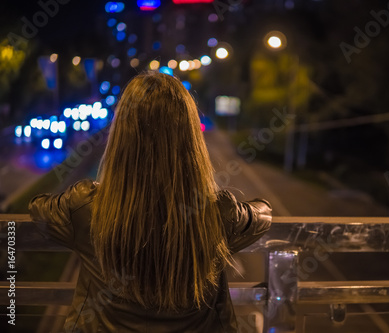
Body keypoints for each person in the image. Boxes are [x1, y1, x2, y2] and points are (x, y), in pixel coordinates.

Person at [29, 71, 272, 332]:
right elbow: (263, 214)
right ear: (190, 139)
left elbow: (38, 208)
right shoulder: (217, 212)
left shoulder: (86, 207)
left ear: (121, 135)